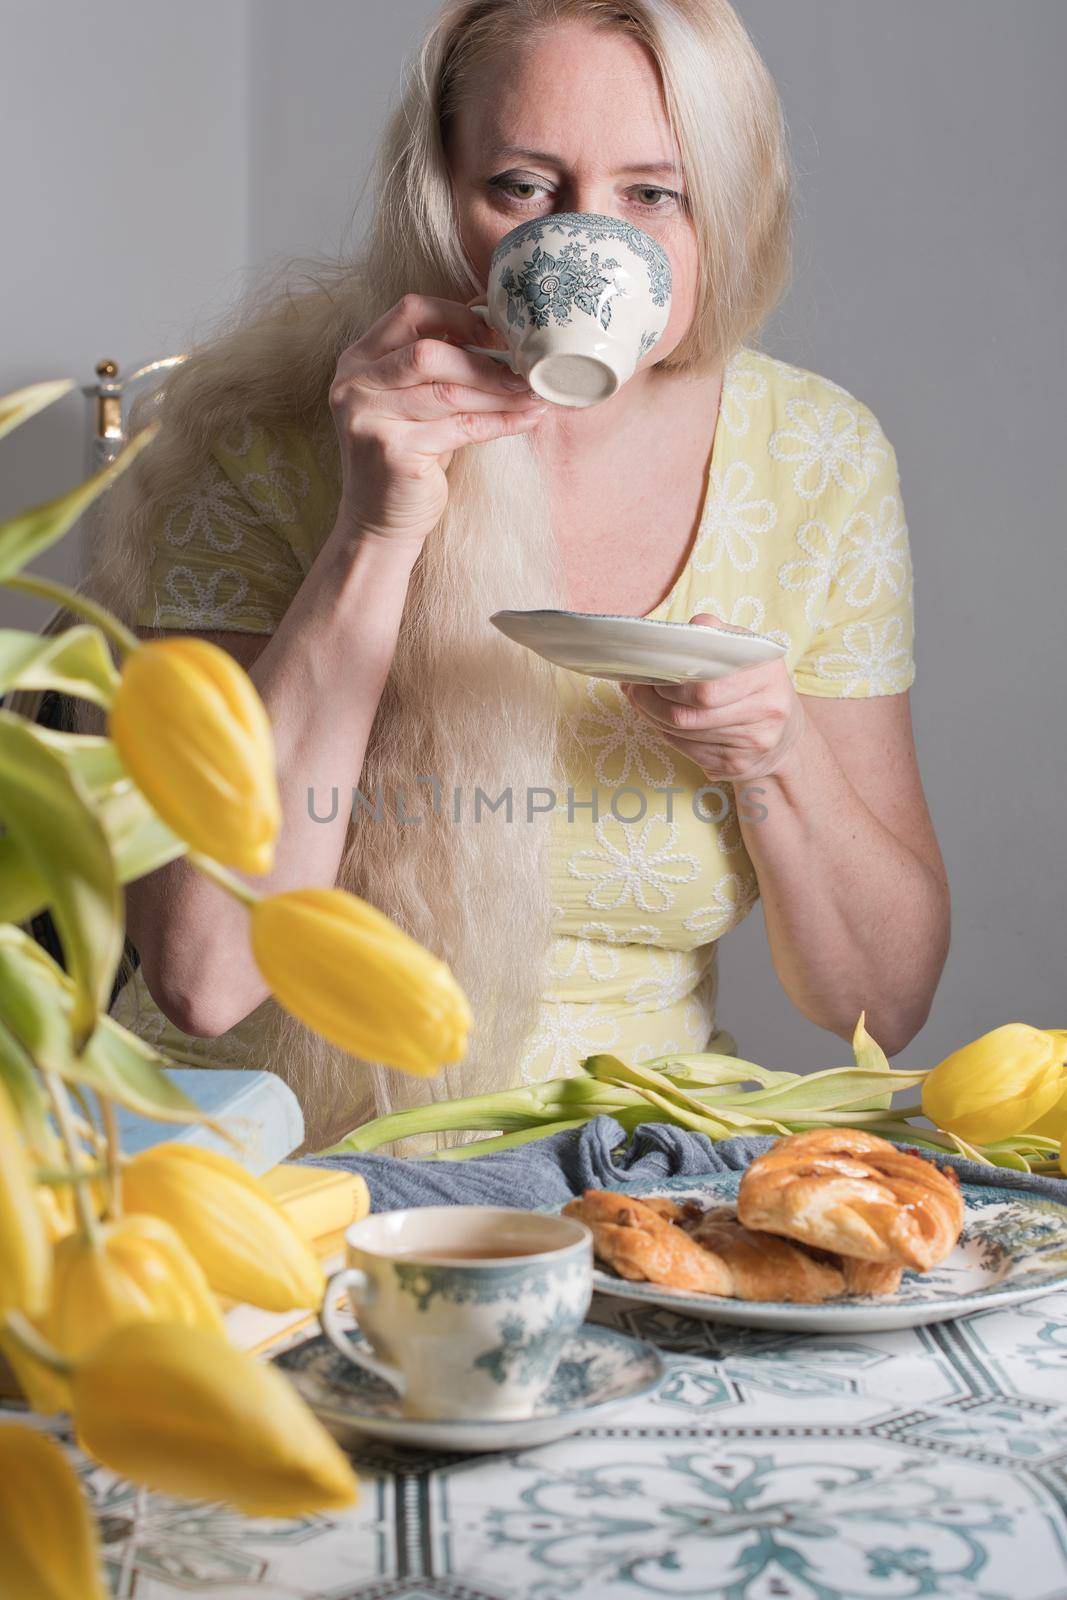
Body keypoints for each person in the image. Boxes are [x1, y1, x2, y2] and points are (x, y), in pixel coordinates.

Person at [84, 0, 949, 1153]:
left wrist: (774, 752)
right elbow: (203, 970)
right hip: (279, 1152)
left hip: (626, 1164)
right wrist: (371, 536)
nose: (589, 236)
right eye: (524, 188)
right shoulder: (256, 435)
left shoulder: (817, 459)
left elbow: (878, 1008)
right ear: (440, 194)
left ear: (720, 208)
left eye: (651, 193)